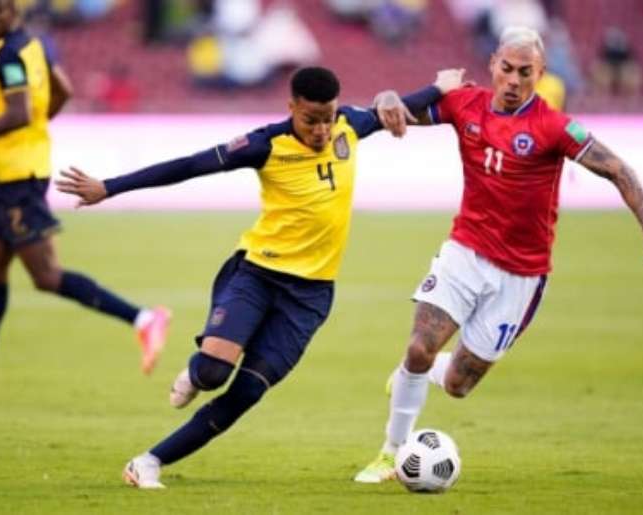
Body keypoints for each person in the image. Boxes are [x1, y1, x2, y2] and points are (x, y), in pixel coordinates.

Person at [55, 65, 467, 488]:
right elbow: (191, 165)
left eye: (327, 118)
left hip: (309, 298)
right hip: (258, 275)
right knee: (214, 373)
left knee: (247, 392)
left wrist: (440, 87)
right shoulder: (264, 144)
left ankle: (148, 462)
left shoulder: (350, 126)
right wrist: (109, 186)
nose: (322, 130)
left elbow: (402, 106)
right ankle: (196, 374)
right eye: (311, 120)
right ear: (291, 108)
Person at [354, 26, 643, 483]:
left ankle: (419, 375)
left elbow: (618, 169)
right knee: (419, 346)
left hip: (521, 275)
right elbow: (398, 112)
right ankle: (391, 451)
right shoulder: (463, 103)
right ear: (492, 65)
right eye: (506, 69)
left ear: (540, 74)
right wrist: (387, 94)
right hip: (464, 251)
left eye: (525, 73)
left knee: (458, 385)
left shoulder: (553, 126)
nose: (513, 80)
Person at [0, 0, 170, 398]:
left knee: (46, 276)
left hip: (20, 178)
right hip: (15, 175)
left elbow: (19, 112)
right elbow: (64, 90)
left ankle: (144, 319)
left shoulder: (6, 55)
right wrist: (38, 127)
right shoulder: (33, 46)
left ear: (12, 14)